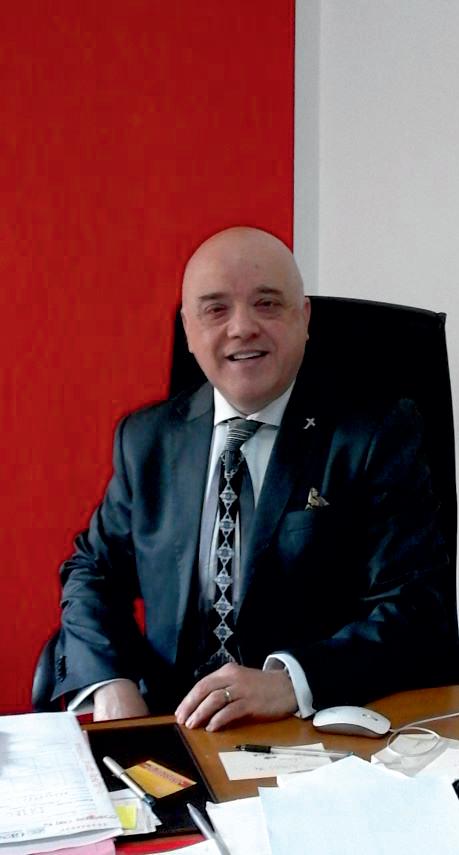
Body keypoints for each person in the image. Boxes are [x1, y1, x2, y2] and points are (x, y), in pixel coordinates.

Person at [53, 226, 454, 731]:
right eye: (215, 309)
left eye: (267, 304)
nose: (242, 327)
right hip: (173, 722)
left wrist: (291, 681)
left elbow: (417, 609)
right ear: (188, 330)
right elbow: (92, 570)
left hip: (308, 729)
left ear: (303, 318)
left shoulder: (374, 435)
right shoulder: (148, 439)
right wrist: (112, 682)